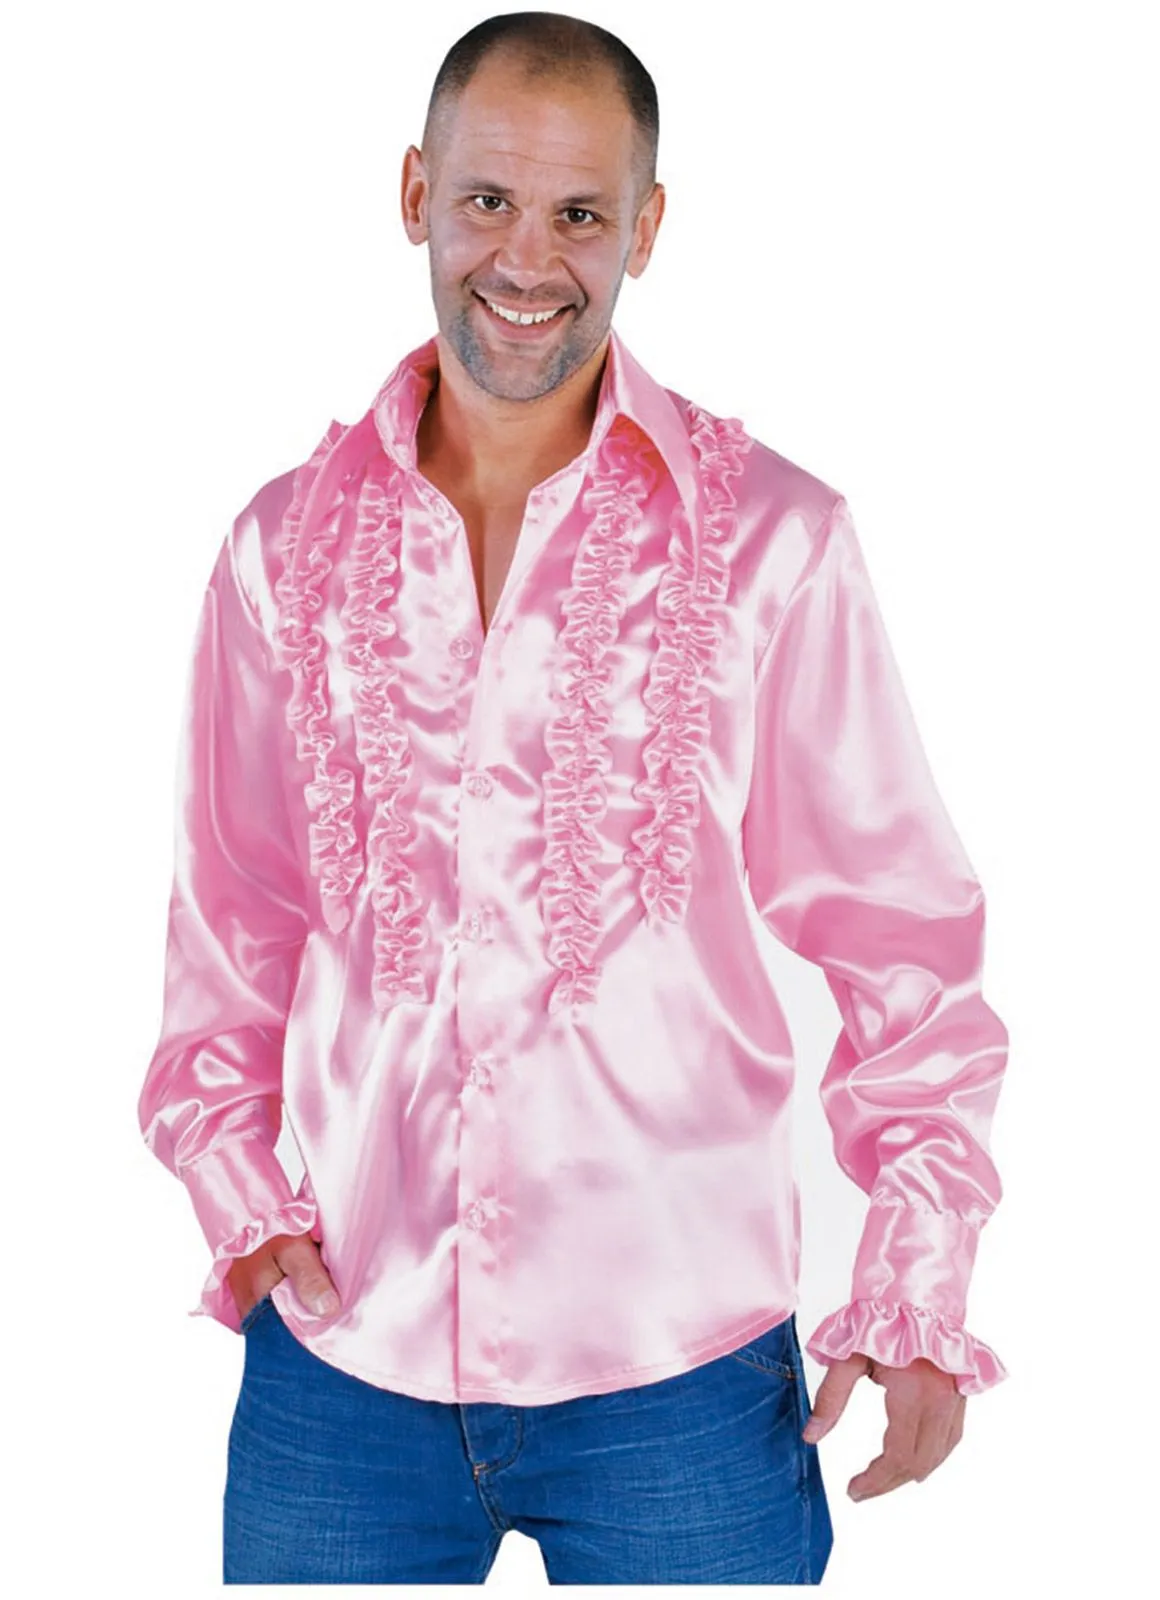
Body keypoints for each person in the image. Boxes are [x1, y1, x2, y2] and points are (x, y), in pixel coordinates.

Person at [137, 10, 1009, 1586]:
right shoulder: (282, 548)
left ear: (646, 228)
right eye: (488, 200)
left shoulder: (775, 543)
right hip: (345, 1360)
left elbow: (904, 942)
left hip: (685, 1380)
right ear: (416, 193)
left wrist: (918, 1278)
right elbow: (232, 921)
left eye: (580, 213)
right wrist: (238, 1197)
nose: (527, 260)